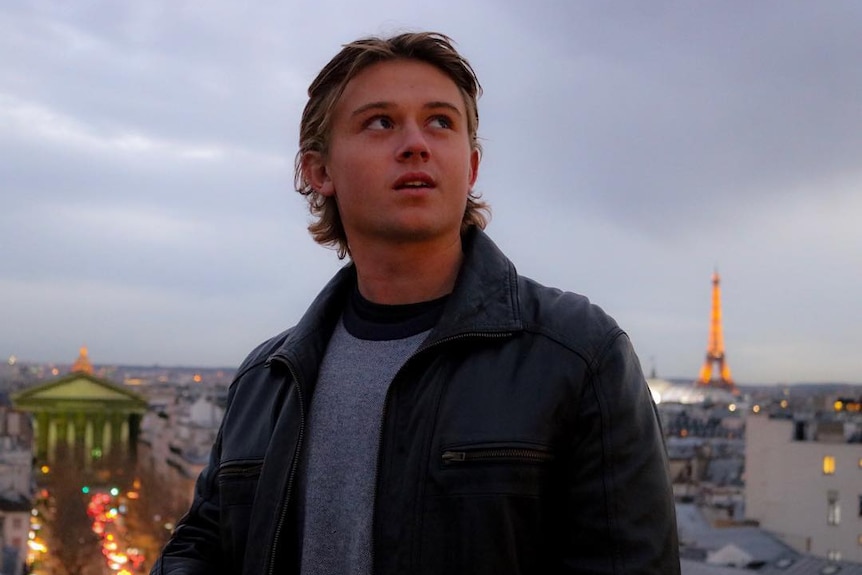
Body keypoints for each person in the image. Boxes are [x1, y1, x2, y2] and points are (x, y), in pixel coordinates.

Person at [151, 31, 680, 575]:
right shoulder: (263, 380)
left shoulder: (582, 354)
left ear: (470, 167)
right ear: (320, 172)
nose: (416, 144)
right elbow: (201, 548)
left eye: (441, 122)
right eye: (380, 121)